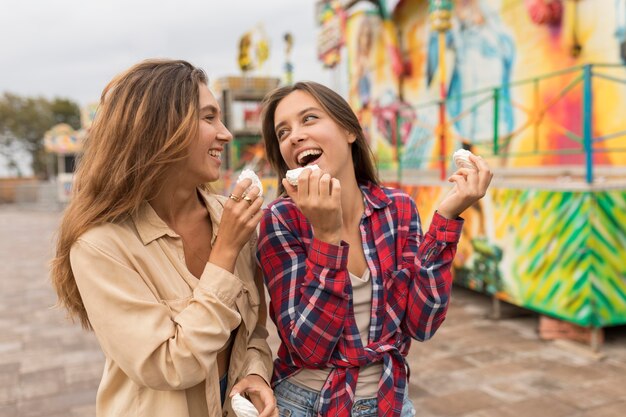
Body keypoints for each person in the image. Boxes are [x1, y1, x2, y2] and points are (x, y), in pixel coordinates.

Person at [50, 59, 277, 417]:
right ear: (160, 128)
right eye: (208, 117)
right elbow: (167, 364)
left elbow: (254, 333)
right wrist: (226, 251)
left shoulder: (230, 217)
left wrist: (255, 374)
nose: (226, 133)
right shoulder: (100, 246)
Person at [257, 81, 493, 417]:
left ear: (350, 130)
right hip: (304, 403)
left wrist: (446, 217)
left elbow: (422, 324)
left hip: (389, 401)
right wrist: (326, 235)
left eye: (309, 119)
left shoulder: (398, 209)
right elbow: (310, 348)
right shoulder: (280, 220)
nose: (294, 136)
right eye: (283, 132)